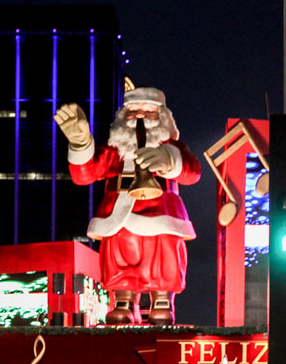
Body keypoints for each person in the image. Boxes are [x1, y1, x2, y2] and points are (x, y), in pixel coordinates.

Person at [54, 86, 200, 325]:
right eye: (133, 112)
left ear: (163, 117)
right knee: (119, 256)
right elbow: (85, 175)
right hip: (120, 212)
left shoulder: (173, 147)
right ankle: (123, 301)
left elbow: (192, 173)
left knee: (163, 256)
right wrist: (80, 144)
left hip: (161, 213)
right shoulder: (115, 151)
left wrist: (168, 159)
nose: (140, 117)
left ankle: (162, 300)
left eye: (148, 111)